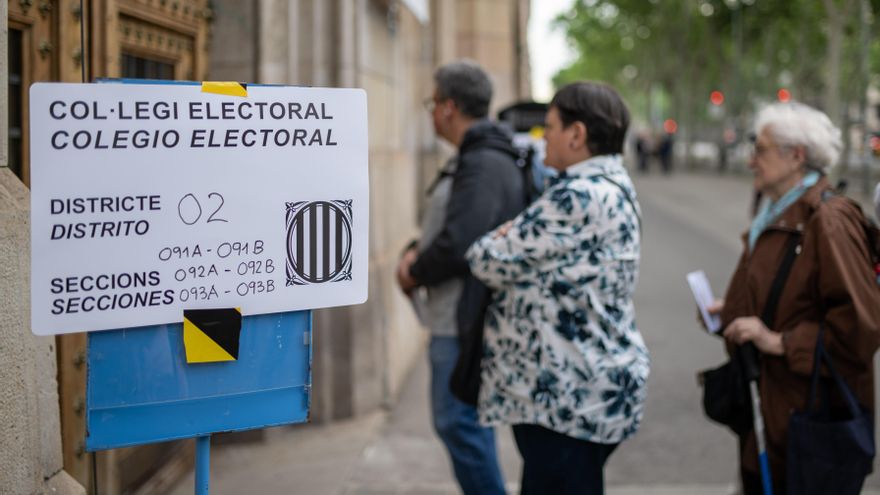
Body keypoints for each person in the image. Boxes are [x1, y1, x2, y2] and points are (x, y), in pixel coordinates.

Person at [465, 81, 650, 494]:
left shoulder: (576, 197)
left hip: (567, 397)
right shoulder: (612, 185)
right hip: (585, 386)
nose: (541, 136)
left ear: (577, 134)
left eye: (549, 126)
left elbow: (483, 259)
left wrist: (503, 233)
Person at [706, 101, 880, 494]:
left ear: (796, 156)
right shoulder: (779, 212)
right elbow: (779, 295)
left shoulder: (829, 221)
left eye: (760, 149)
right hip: (775, 419)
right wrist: (730, 312)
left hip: (809, 428)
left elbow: (860, 328)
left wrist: (780, 342)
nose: (752, 160)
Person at [396, 59, 526, 495]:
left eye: (432, 103)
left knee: (457, 423)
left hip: (462, 318)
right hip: (462, 314)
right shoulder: (480, 156)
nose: (430, 112)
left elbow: (461, 240)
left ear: (449, 107)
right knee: (466, 422)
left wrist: (415, 270)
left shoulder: (483, 160)